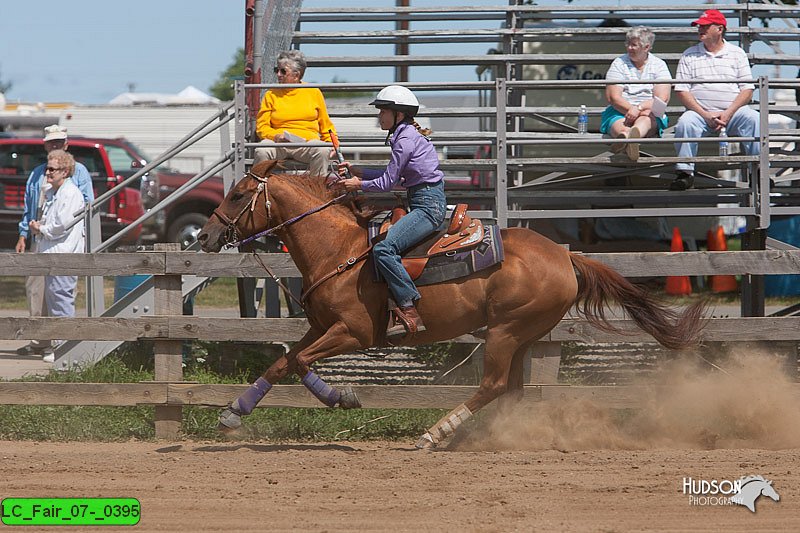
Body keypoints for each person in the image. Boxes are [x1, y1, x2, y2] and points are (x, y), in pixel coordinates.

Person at [337, 86, 446, 338]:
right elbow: (391, 177)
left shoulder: (404, 141)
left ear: (398, 113)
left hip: (427, 206)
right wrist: (359, 171)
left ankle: (408, 308)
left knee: (383, 249)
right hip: (425, 200)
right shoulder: (405, 135)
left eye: (383, 111)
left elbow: (387, 184)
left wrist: (358, 184)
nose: (379, 116)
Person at [15, 125, 94, 358]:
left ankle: (61, 344)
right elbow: (29, 207)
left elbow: (78, 212)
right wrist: (24, 233)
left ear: (66, 144)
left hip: (60, 241)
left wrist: (46, 228)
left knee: (60, 294)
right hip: (40, 238)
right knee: (37, 290)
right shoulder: (37, 173)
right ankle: (41, 338)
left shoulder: (77, 173)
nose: (55, 145)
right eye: (51, 142)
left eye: (59, 141)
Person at [671, 9, 760, 191]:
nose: (700, 29)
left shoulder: (737, 53)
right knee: (685, 123)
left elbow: (747, 90)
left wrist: (728, 113)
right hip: (700, 113)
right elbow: (682, 91)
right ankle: (685, 173)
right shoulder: (689, 54)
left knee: (753, 119)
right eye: (699, 26)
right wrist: (705, 114)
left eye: (705, 26)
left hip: (733, 113)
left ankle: (758, 172)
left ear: (720, 29)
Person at [28, 150, 86, 363]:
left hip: (64, 255)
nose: (48, 173)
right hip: (53, 255)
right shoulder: (56, 192)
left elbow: (61, 225)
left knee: (61, 300)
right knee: (54, 301)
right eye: (47, 168)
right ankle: (59, 345)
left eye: (52, 169)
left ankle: (65, 348)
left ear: (65, 171)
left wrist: (41, 229)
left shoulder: (70, 194)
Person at [254, 50, 336, 176]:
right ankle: (258, 188)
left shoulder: (313, 92)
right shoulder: (270, 94)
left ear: (296, 75)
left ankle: (316, 189)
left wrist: (335, 144)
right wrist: (276, 136)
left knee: (322, 149)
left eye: (283, 71)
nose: (278, 74)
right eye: (277, 70)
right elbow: (261, 127)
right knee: (262, 150)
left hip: (306, 143)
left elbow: (326, 125)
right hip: (278, 143)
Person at [601, 26, 671, 162]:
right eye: (628, 44)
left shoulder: (659, 65)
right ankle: (629, 139)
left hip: (649, 113)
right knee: (620, 124)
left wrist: (638, 109)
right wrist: (631, 110)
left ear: (646, 47)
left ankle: (627, 139)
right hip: (620, 111)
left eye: (634, 45)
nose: (629, 48)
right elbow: (613, 97)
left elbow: (662, 98)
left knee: (645, 121)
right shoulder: (619, 63)